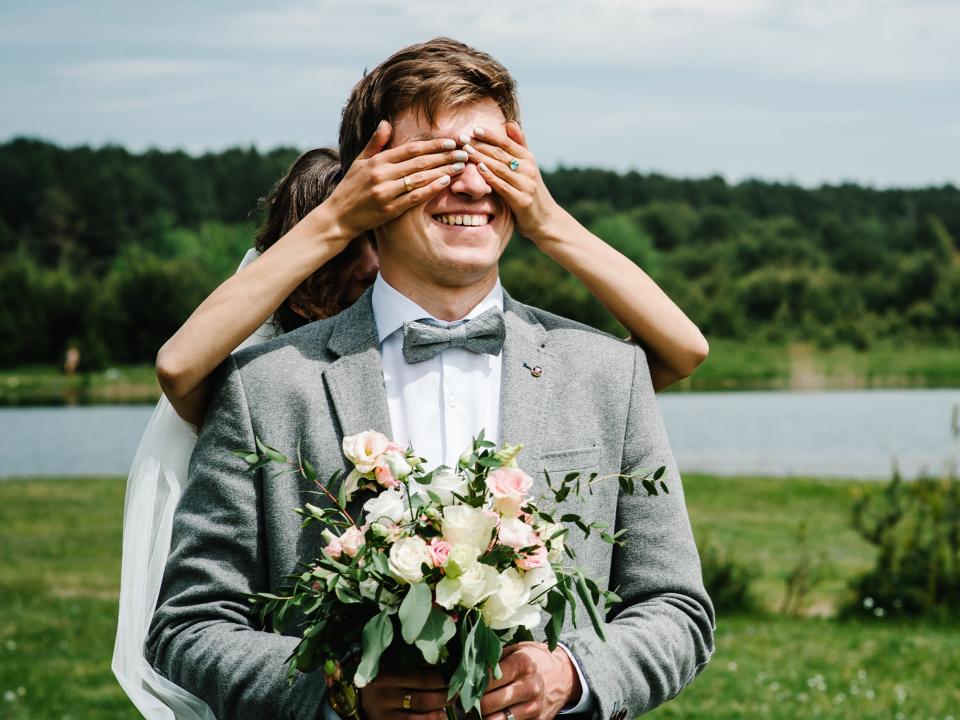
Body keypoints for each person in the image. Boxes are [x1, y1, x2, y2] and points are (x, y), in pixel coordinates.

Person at [134, 38, 714, 720]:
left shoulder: (607, 375)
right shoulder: (267, 389)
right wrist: (334, 691)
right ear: (371, 185)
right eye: (438, 160)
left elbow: (677, 611)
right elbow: (188, 625)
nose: (472, 184)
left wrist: (574, 677)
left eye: (493, 159)